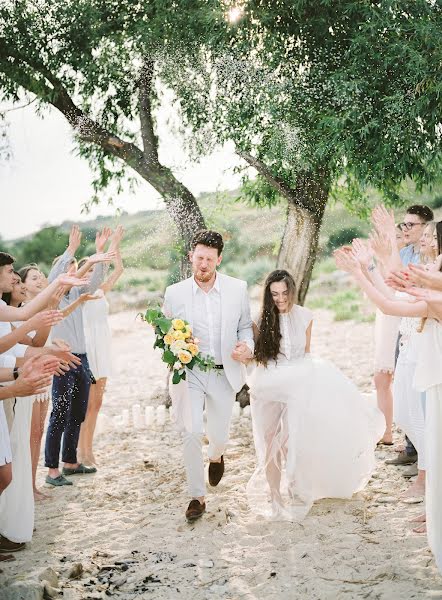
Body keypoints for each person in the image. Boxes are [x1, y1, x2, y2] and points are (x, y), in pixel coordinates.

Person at [245, 270, 384, 520]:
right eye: (274, 294)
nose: (280, 299)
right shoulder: (259, 319)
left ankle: (296, 486)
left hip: (298, 383)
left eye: (284, 293)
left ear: (292, 291)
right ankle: (274, 495)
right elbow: (257, 355)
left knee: (291, 439)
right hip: (269, 382)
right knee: (269, 439)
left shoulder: (305, 317)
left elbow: (306, 353)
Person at [163, 229, 254, 521]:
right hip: (189, 372)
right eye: (199, 257)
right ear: (191, 256)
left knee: (218, 433)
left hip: (223, 371)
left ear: (219, 260)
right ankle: (197, 497)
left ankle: (217, 455)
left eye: (209, 259)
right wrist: (174, 348)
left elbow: (244, 327)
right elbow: (165, 333)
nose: (203, 264)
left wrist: (246, 347)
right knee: (190, 433)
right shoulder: (174, 293)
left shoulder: (237, 289)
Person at [44, 226, 115, 486]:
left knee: (77, 413)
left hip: (82, 359)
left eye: (75, 268)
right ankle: (52, 470)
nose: (73, 272)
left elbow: (95, 282)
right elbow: (56, 278)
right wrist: (71, 250)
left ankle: (70, 462)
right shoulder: (55, 296)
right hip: (63, 359)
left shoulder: (77, 294)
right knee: (59, 414)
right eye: (69, 269)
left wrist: (99, 254)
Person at [78, 226, 124, 466]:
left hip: (102, 347)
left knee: (97, 403)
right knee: (86, 403)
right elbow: (101, 270)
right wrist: (104, 249)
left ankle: (88, 448)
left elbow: (119, 269)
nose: (93, 274)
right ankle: (81, 451)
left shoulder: (100, 292)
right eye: (90, 269)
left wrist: (114, 246)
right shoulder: (80, 293)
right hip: (88, 347)